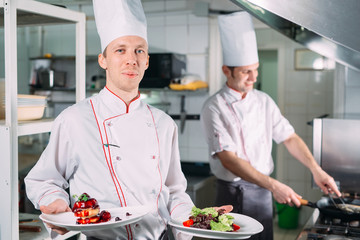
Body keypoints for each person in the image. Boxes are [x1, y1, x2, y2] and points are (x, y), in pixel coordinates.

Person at [25, 1, 194, 239]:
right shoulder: (75, 119)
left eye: (139, 50)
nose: (131, 60)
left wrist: (196, 220)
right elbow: (42, 179)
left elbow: (175, 192)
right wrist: (55, 202)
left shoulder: (164, 123)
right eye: (120, 50)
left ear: (146, 61)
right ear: (103, 60)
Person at [200, 11, 341, 240]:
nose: (253, 77)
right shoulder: (213, 107)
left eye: (255, 69)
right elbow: (229, 159)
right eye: (246, 71)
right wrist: (274, 185)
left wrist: (316, 170)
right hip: (232, 195)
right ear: (227, 70)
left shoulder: (263, 101)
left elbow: (289, 137)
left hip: (263, 193)